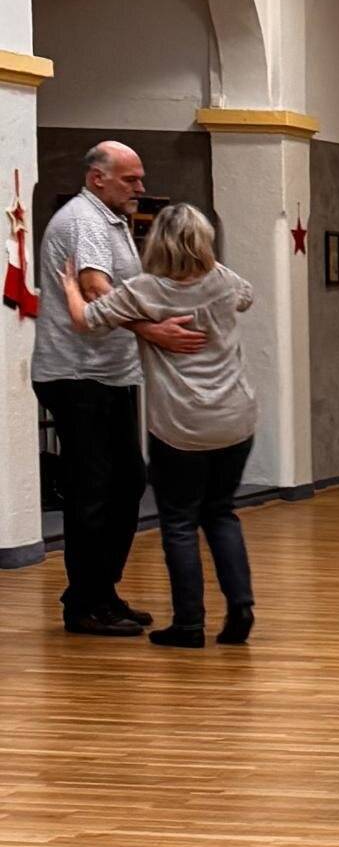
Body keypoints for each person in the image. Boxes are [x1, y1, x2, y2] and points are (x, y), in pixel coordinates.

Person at [59, 203, 257, 648]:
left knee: (180, 522)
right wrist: (206, 262)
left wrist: (70, 286)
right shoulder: (224, 282)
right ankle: (240, 607)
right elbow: (247, 296)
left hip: (180, 425)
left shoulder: (143, 290)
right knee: (221, 512)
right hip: (235, 418)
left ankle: (189, 624)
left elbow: (84, 320)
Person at [32, 141, 205, 636]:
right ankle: (84, 605)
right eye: (130, 180)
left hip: (109, 373)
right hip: (77, 375)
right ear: (97, 179)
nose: (141, 188)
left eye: (140, 178)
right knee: (93, 491)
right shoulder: (83, 219)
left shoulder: (107, 220)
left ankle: (99, 593)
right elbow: (95, 289)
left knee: (126, 483)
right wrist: (155, 331)